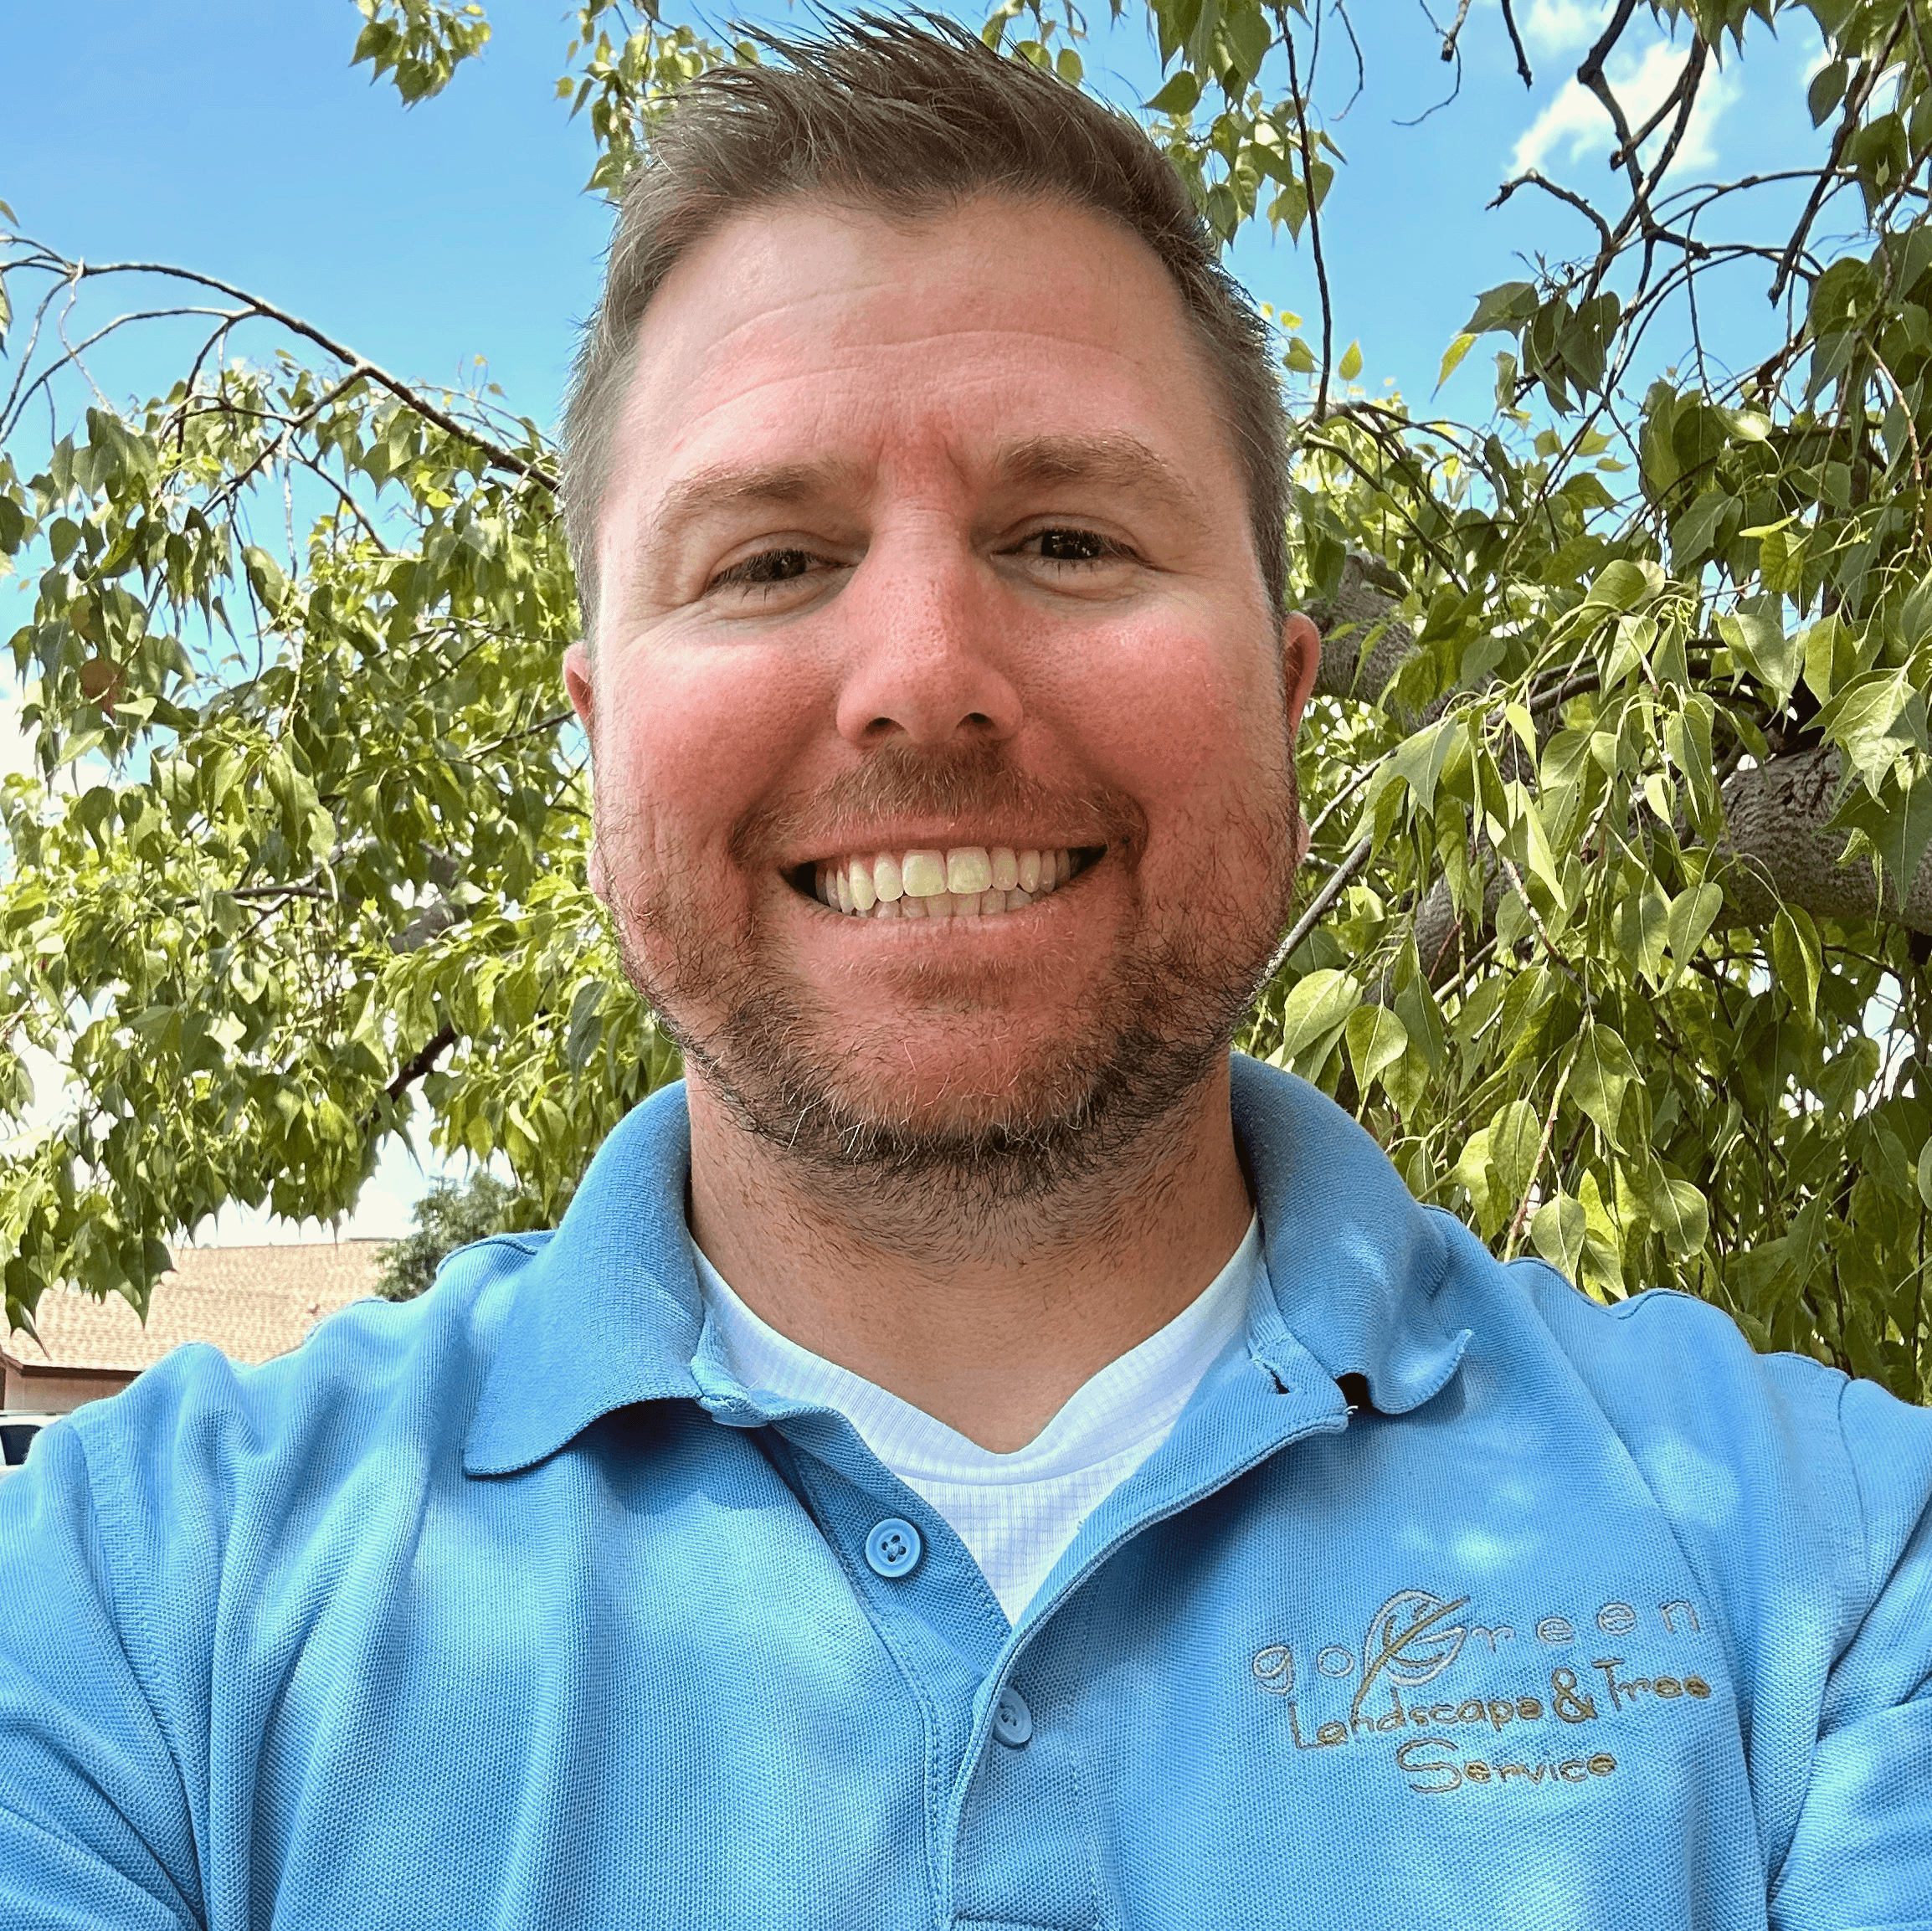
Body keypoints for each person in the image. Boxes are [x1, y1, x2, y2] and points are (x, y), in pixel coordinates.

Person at [2, 18, 1928, 1928]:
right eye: (768, 561)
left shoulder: (1832, 1577)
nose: (923, 675)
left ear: (1284, 703)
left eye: (1068, 538)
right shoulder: (130, 1606)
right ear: (598, 739)